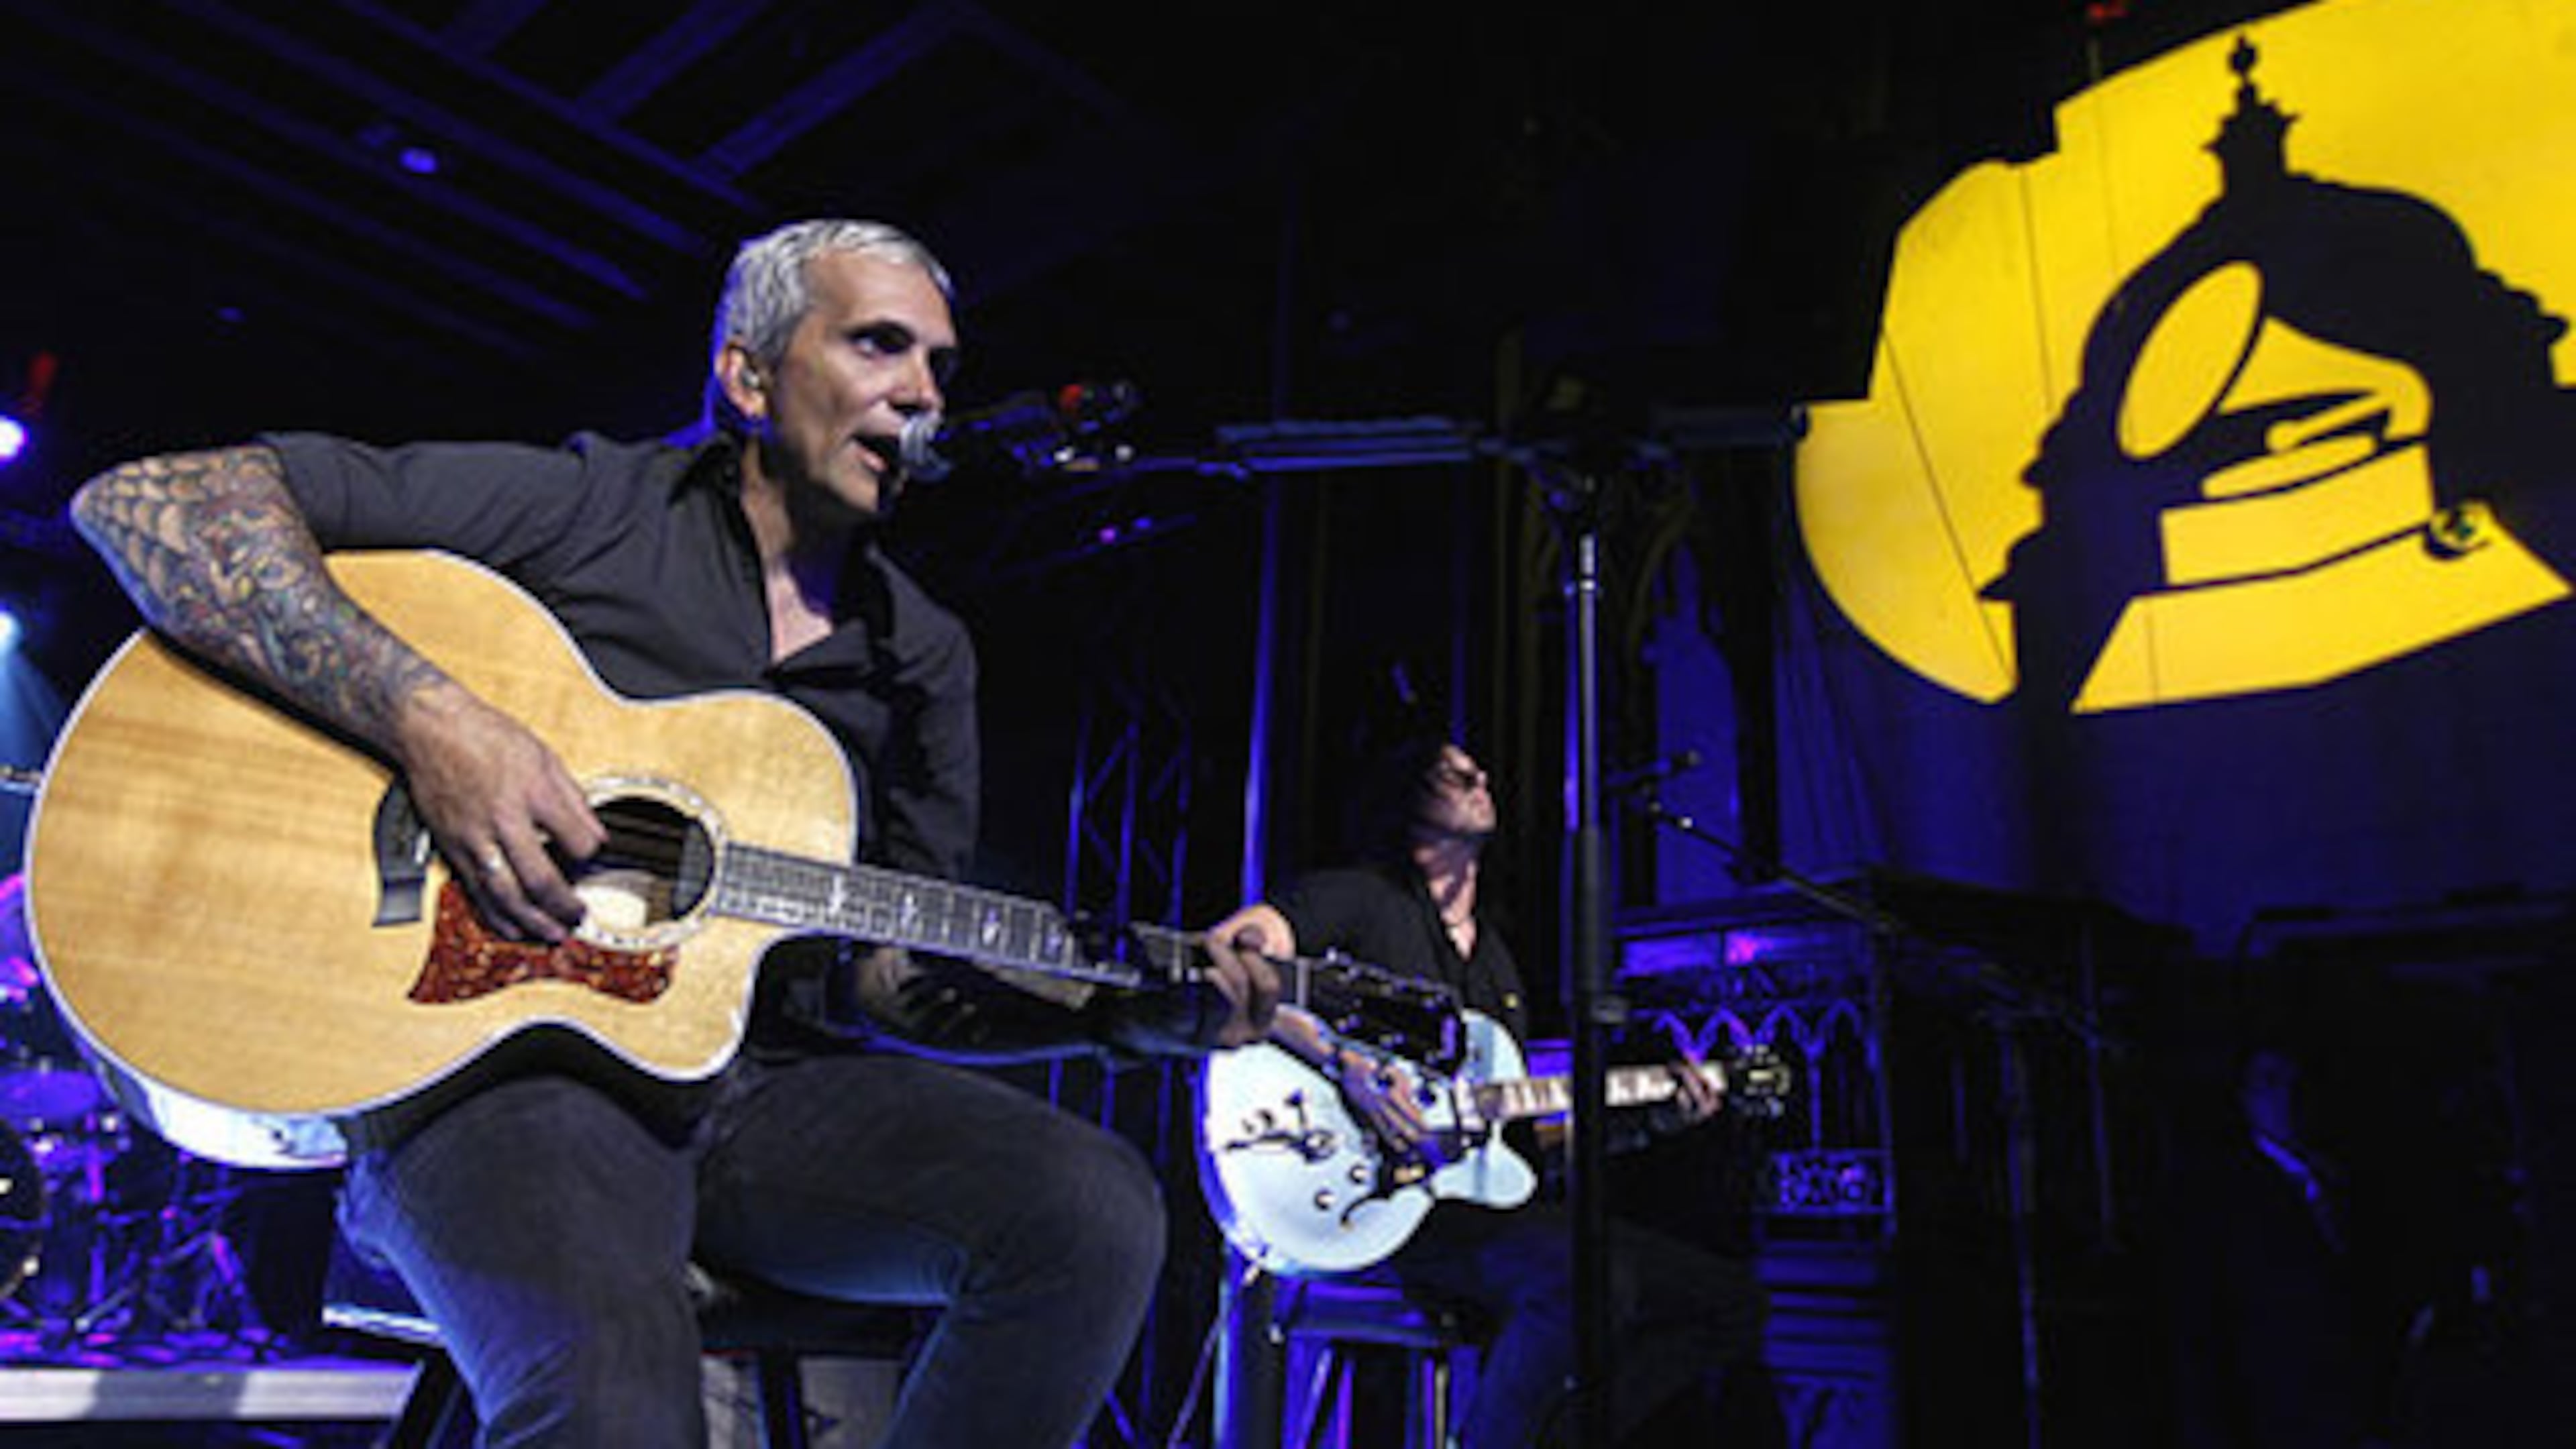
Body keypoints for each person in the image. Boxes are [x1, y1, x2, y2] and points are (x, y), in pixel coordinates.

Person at [66, 218, 1279, 1448]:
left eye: (941, 366)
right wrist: (438, 726)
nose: (923, 392)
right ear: (749, 379)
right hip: (501, 1078)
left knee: (1092, 1211)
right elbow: (154, 501)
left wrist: (1123, 1016)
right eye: (879, 345)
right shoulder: (592, 507)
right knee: (619, 1408)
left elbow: (889, 977)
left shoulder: (923, 659)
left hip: (758, 1101)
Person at [1203, 735, 1774, 1448]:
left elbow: (1521, 1147)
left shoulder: (1497, 963)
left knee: (1731, 1302)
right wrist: (1349, 1065)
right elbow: (1223, 962)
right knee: (1594, 1280)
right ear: (1403, 798)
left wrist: (1650, 1120)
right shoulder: (1357, 899)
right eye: (1451, 772)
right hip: (1368, 1209)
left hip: (1467, 1208)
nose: (1478, 776)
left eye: (1477, 770)